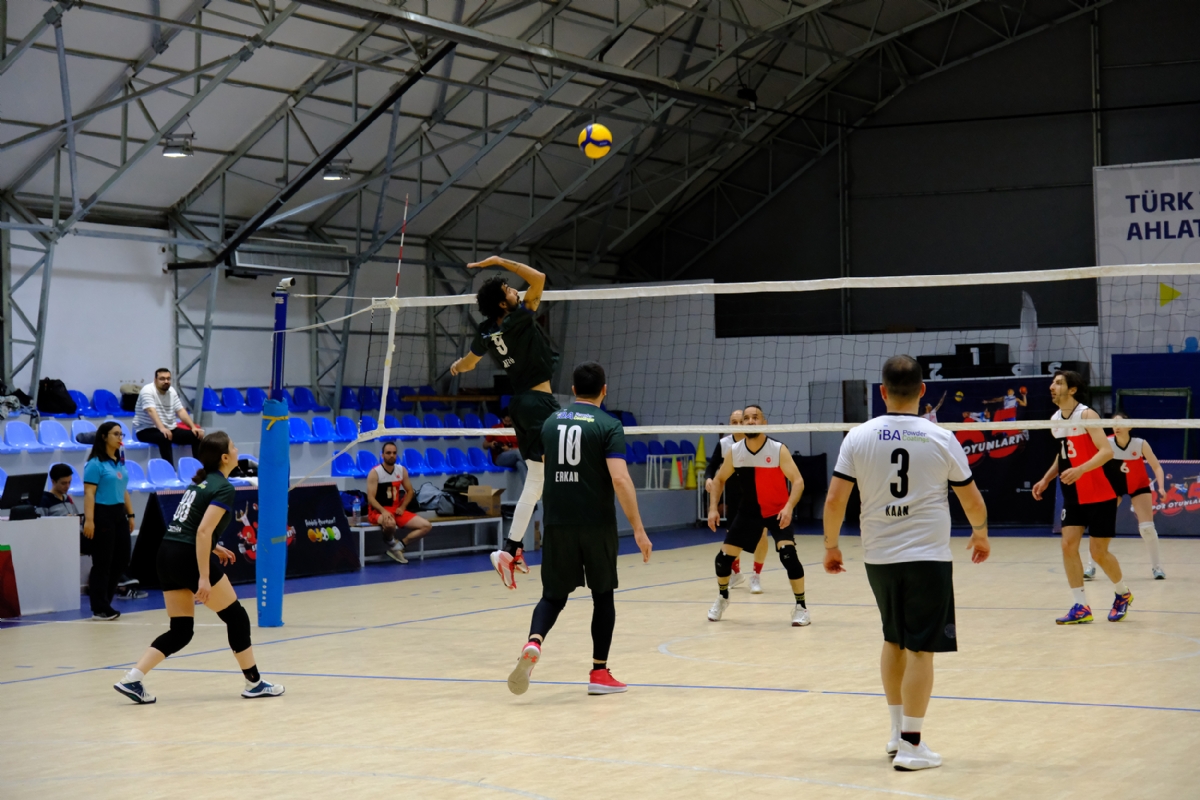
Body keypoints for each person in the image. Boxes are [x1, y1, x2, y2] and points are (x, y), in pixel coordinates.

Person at [823, 355, 990, 772]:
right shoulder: (941, 437)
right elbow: (971, 500)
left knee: (893, 639)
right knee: (921, 650)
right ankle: (912, 746)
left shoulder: (857, 437)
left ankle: (897, 733)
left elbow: (835, 500)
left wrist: (831, 546)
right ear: (923, 391)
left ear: (882, 392)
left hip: (879, 557)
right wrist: (980, 532)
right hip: (927, 557)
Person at [506, 362, 652, 697]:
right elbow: (619, 478)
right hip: (596, 523)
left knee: (553, 596)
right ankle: (599, 672)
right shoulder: (609, 425)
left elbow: (545, 468)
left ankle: (534, 642)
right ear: (604, 390)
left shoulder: (550, 422)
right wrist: (639, 529)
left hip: (558, 522)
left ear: (573, 390)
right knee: (603, 596)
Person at [112, 432, 284, 704]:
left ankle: (132, 678)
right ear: (225, 457)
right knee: (237, 617)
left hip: (167, 553)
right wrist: (203, 577)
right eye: (234, 446)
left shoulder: (200, 484)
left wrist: (214, 547)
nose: (237, 450)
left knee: (181, 630)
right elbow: (203, 531)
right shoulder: (224, 488)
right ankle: (254, 683)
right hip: (187, 557)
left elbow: (188, 527)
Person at [450, 256, 560, 588]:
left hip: (520, 406)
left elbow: (468, 364)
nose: (516, 291)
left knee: (536, 481)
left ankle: (510, 550)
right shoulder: (520, 318)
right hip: (539, 404)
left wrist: (456, 367)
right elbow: (539, 277)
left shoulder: (486, 331)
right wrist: (499, 261)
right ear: (502, 303)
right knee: (563, 470)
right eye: (510, 290)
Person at [1032, 370, 1130, 624]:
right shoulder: (1055, 419)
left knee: (1098, 553)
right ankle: (1081, 606)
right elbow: (1063, 454)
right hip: (1073, 493)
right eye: (1052, 382)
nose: (1052, 386)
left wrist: (1081, 469)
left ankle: (1123, 593)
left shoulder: (1087, 415)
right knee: (1068, 546)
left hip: (1100, 492)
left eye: (1059, 383)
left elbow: (1106, 451)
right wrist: (1047, 478)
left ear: (1073, 390)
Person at [706, 405, 808, 626]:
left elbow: (798, 481)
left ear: (764, 423)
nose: (751, 421)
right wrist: (713, 508)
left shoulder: (778, 449)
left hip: (777, 510)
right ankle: (723, 597)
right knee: (722, 561)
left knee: (788, 555)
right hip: (749, 512)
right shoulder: (735, 451)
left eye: (755, 417)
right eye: (746, 418)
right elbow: (719, 479)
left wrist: (789, 507)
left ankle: (801, 607)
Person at [703, 408, 768, 593]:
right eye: (734, 422)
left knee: (761, 536)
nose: (738, 425)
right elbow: (712, 466)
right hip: (734, 497)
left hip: (756, 496)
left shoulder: (757, 442)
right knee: (732, 537)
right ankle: (736, 573)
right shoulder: (725, 444)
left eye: (741, 421)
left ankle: (756, 576)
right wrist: (709, 478)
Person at [1101, 412, 1167, 579]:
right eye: (1113, 424)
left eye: (1120, 423)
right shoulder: (1106, 443)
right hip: (1114, 487)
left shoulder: (1140, 444)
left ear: (1130, 426)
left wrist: (1161, 487)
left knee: (1147, 528)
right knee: (1101, 525)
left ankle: (1157, 568)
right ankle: (1090, 567)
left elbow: (1157, 467)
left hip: (1139, 486)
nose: (1116, 427)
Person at [82, 422, 136, 621]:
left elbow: (123, 490)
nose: (120, 437)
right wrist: (89, 520)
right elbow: (89, 493)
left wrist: (130, 514)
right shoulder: (95, 463)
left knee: (122, 560)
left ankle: (106, 600)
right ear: (104, 437)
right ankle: (100, 608)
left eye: (121, 434)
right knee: (102, 562)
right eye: (115, 434)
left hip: (118, 513)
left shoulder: (119, 462)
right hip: (102, 514)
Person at [365, 441, 432, 564]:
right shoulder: (375, 472)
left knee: (426, 526)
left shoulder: (401, 470)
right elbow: (371, 498)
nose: (392, 455)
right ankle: (390, 541)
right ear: (382, 455)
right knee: (390, 523)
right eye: (388, 453)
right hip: (378, 511)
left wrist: (403, 506)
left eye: (394, 453)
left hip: (396, 509)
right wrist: (383, 511)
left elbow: (410, 491)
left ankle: (398, 547)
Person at [133, 368, 205, 465]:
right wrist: (162, 428)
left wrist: (193, 427)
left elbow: (180, 411)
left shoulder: (172, 391)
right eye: (162, 379)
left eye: (168, 378)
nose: (166, 381)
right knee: (165, 437)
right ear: (155, 380)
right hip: (145, 430)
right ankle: (170, 470)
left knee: (196, 436)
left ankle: (200, 468)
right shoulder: (147, 390)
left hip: (169, 428)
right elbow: (151, 410)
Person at [488, 409, 527, 481]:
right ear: (502, 419)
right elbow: (484, 445)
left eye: (510, 421)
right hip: (500, 457)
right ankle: (532, 466)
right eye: (506, 421)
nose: (508, 423)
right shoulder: (495, 428)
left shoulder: (518, 429)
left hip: (516, 456)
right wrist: (491, 444)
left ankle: (528, 487)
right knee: (517, 452)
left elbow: (523, 446)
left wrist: (510, 449)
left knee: (520, 464)